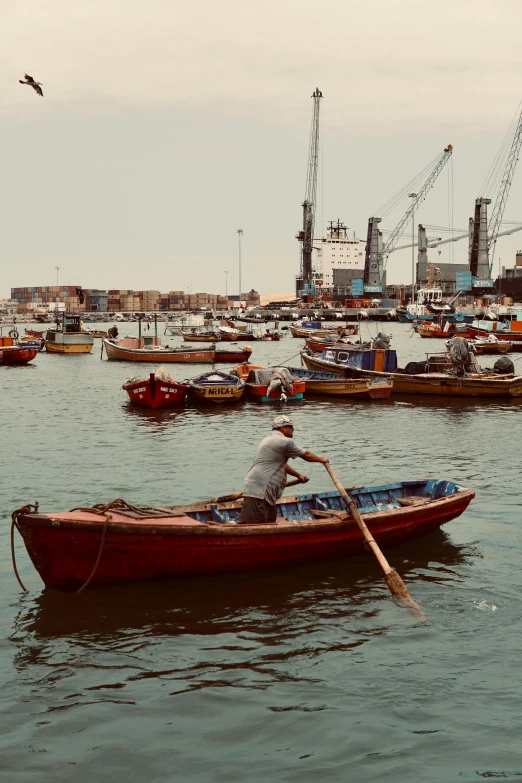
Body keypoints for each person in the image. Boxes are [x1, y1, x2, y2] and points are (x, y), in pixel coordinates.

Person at [240, 415, 329, 524]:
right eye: (291, 427)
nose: (293, 430)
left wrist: (298, 475)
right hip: (260, 489)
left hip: (264, 490)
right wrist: (322, 459)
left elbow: (280, 464)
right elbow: (306, 455)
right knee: (254, 525)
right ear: (283, 428)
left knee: (269, 523)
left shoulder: (269, 439)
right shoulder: (284, 441)